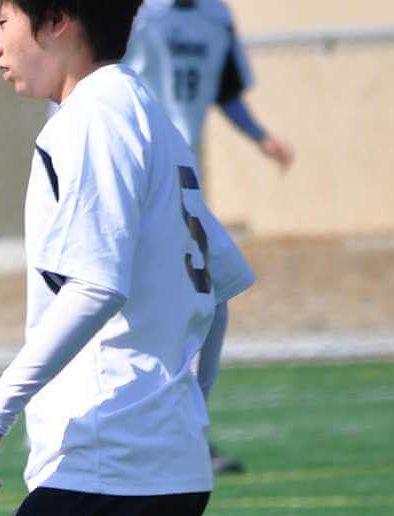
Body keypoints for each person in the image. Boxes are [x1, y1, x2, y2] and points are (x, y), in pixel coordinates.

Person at [0, 0, 255, 516]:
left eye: (2, 20)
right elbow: (219, 286)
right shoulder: (148, 115)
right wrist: (190, 405)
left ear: (58, 20)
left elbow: (95, 285)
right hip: (157, 462)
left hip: (107, 464)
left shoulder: (90, 118)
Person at [126, 0, 285, 474]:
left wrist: (261, 136)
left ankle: (186, 428)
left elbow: (224, 90)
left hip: (181, 173)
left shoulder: (214, 16)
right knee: (124, 300)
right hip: (137, 170)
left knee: (210, 291)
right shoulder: (138, 13)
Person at [125, 0, 291, 170]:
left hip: (187, 153)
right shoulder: (140, 13)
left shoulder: (218, 18)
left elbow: (226, 93)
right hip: (138, 150)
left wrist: (261, 137)